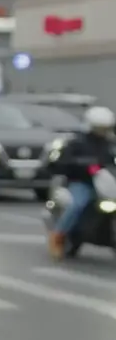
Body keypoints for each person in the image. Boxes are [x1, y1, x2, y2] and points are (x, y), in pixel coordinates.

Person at [48, 105, 116, 258]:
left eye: (106, 128)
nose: (103, 131)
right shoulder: (77, 143)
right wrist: (84, 164)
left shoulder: (110, 144)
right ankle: (58, 236)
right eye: (100, 128)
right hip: (83, 183)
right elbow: (64, 160)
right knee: (76, 205)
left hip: (107, 184)